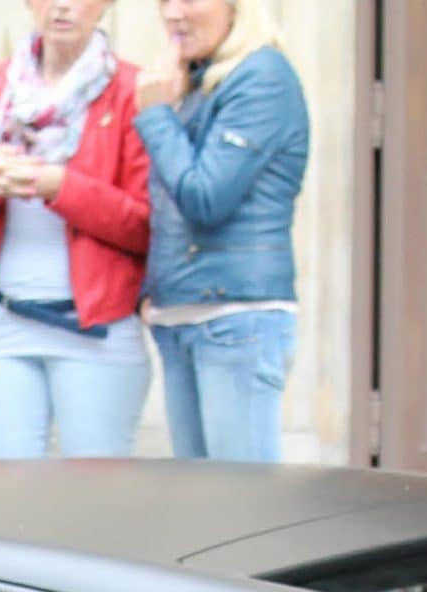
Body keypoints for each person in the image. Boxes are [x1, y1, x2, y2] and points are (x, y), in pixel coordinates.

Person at [0, 0, 151, 458]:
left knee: (94, 501)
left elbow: (143, 225)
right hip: (2, 324)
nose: (61, 6)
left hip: (95, 328)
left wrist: (61, 187)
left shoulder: (130, 90)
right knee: (9, 498)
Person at [130, 0, 307, 462]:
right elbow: (166, 202)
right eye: (164, 1)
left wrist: (155, 116)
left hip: (235, 318)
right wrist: (154, 291)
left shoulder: (262, 77)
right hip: (181, 315)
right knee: (206, 505)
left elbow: (205, 196)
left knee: (242, 507)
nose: (173, 14)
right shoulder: (191, 80)